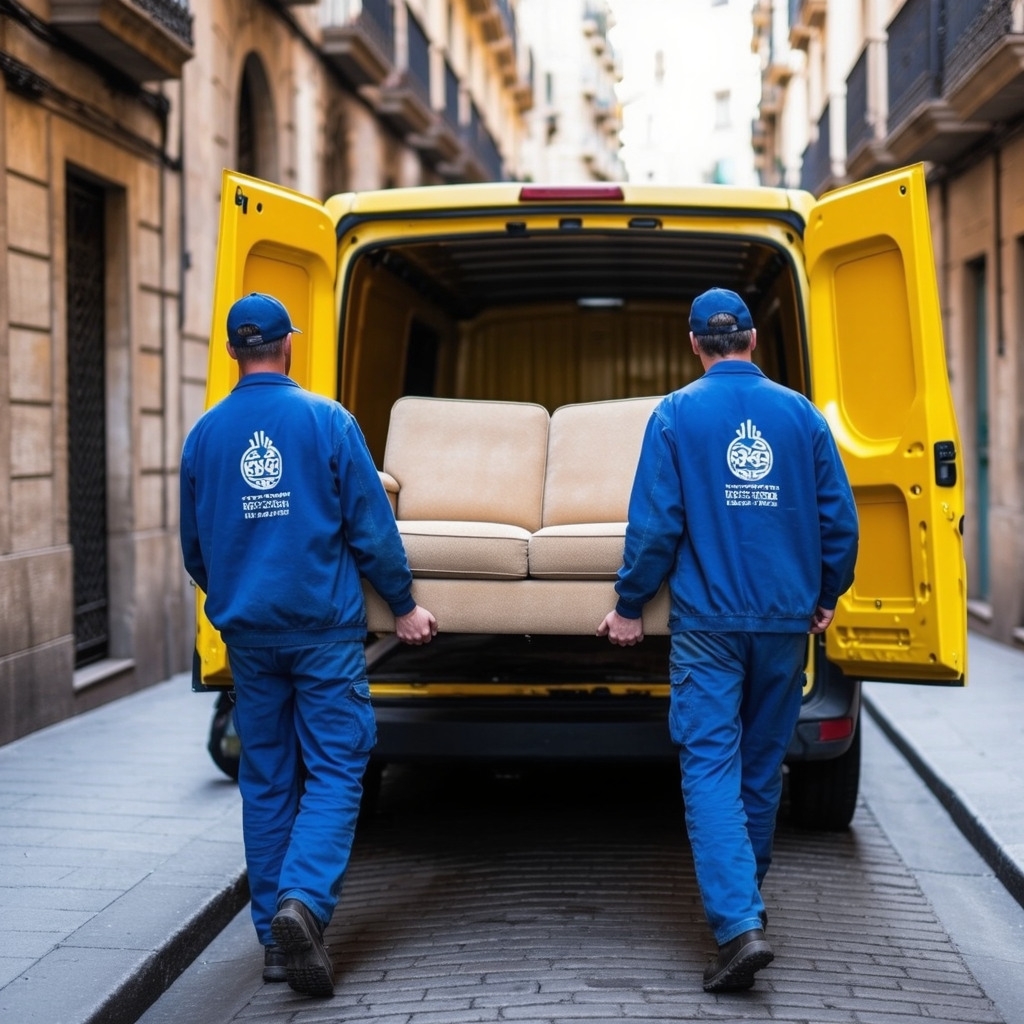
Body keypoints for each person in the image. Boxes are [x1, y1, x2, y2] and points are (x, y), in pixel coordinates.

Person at [597, 287, 858, 993]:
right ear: (750, 340)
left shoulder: (677, 415)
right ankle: (747, 905)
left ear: (694, 344)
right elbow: (842, 522)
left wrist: (627, 605)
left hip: (708, 627)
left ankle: (738, 924)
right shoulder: (800, 416)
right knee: (761, 765)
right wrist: (825, 594)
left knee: (709, 765)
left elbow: (656, 528)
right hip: (782, 623)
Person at [180, 292, 436, 997]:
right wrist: (406, 604)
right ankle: (305, 904)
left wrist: (238, 596)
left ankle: (273, 941)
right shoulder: (327, 421)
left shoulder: (203, 437)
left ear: (234, 350)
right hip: (322, 630)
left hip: (250, 635)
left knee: (266, 777)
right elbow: (370, 528)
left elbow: (195, 550)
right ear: (287, 344)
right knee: (335, 765)